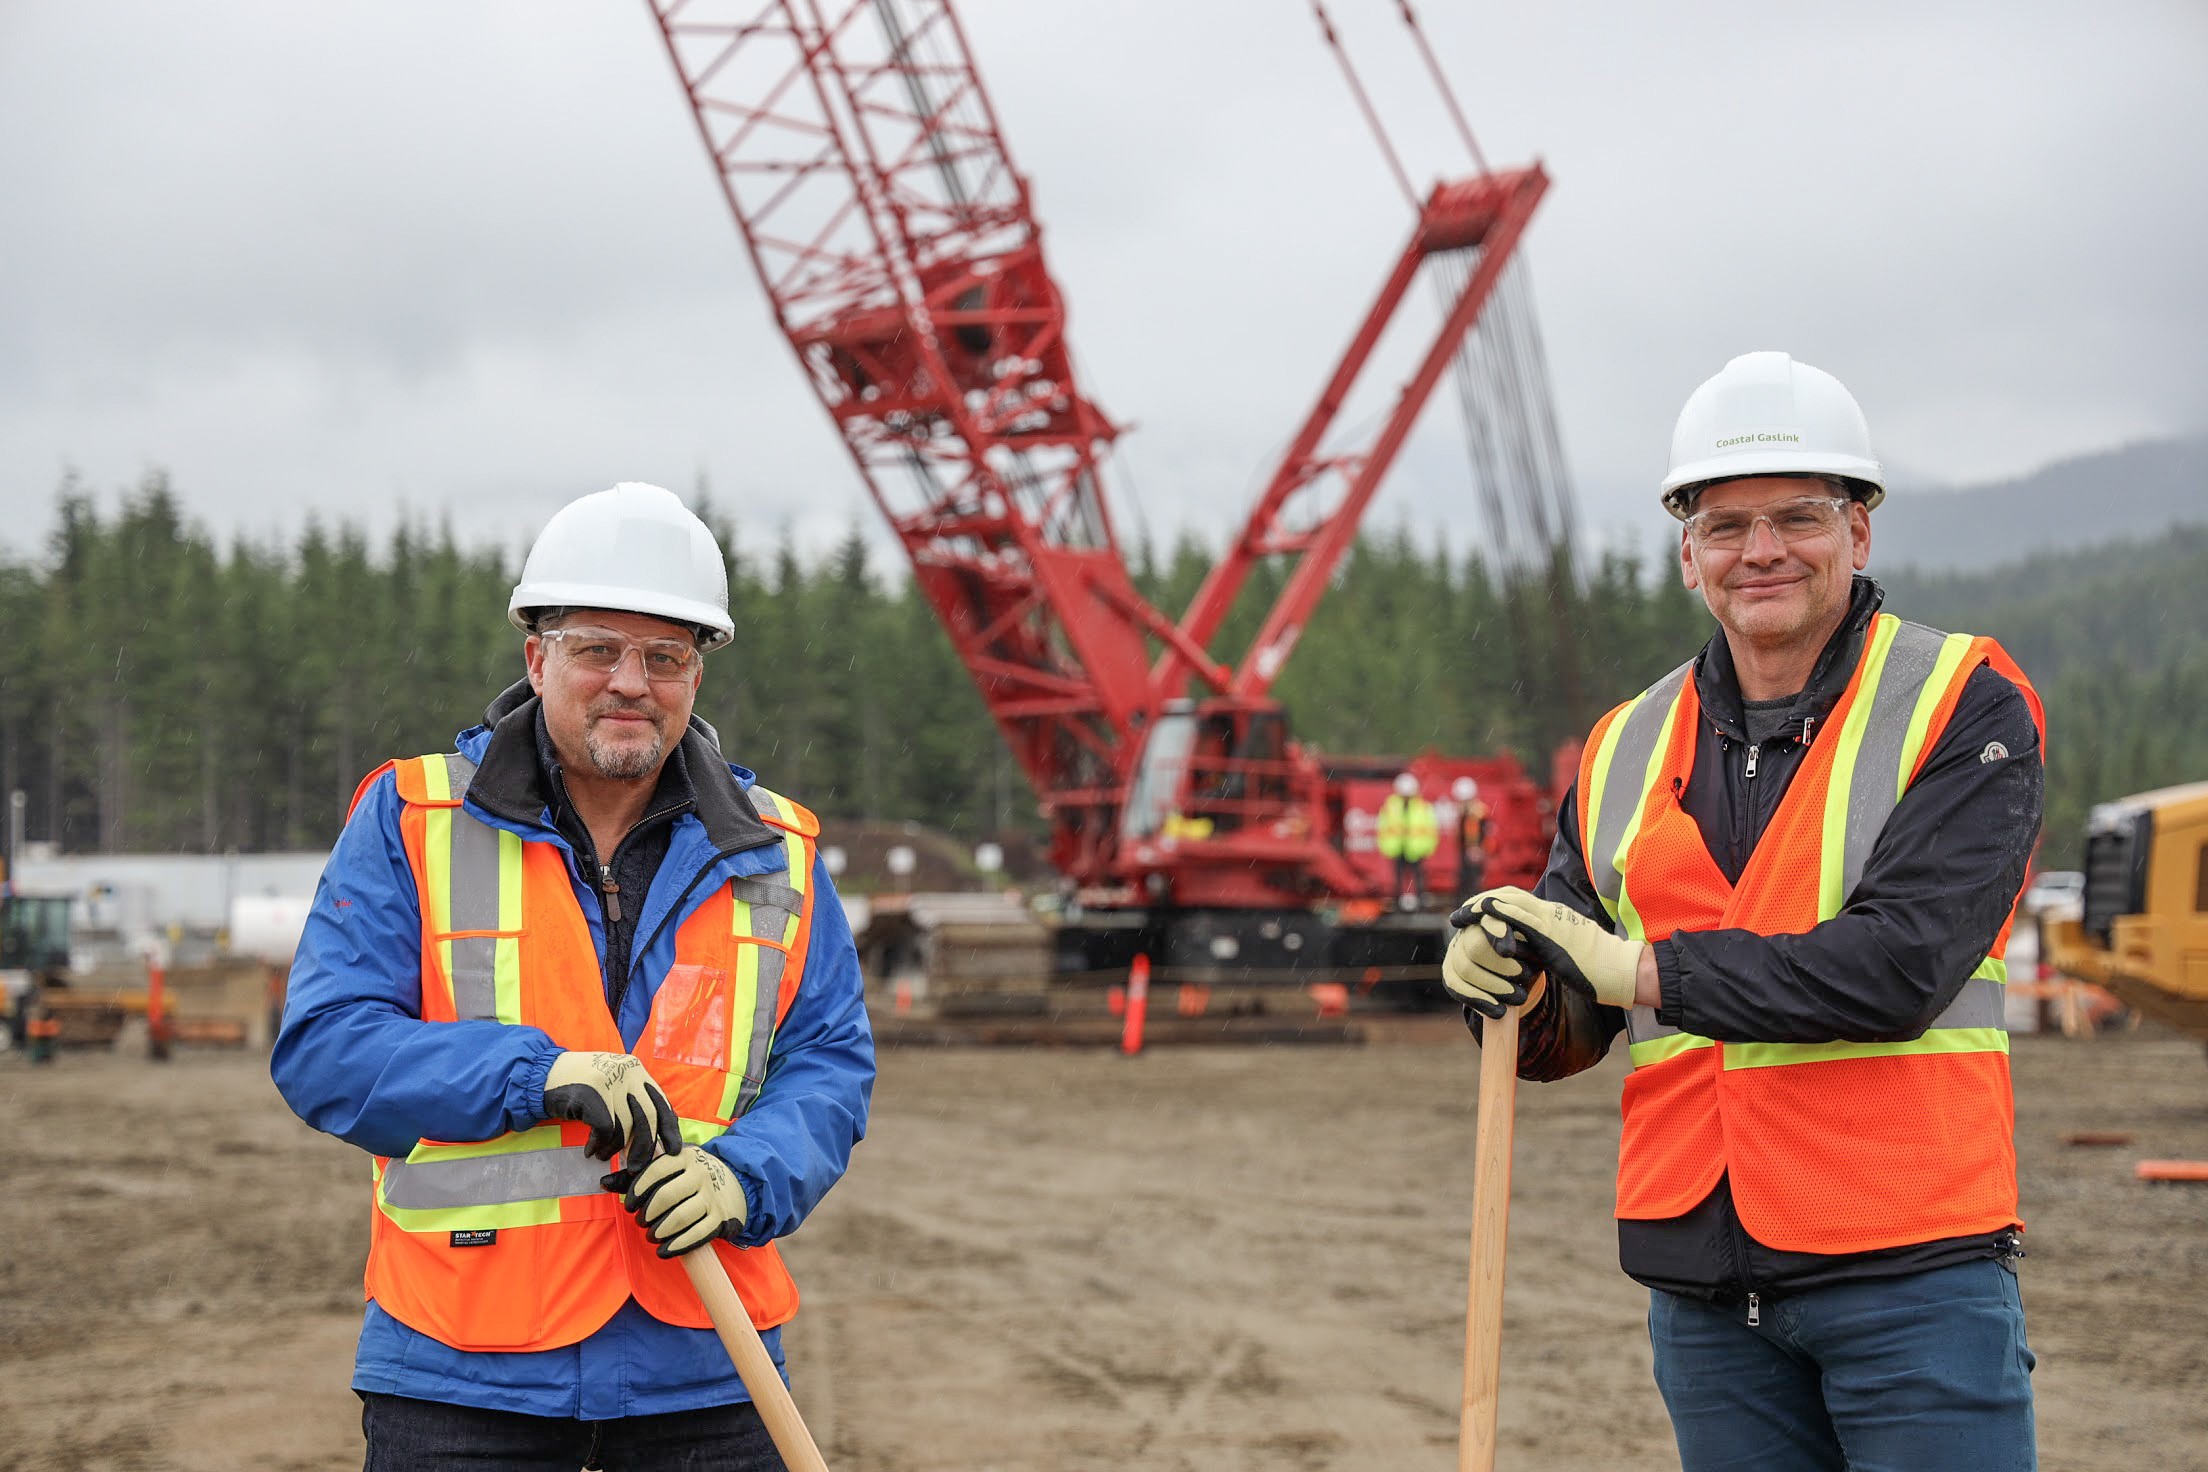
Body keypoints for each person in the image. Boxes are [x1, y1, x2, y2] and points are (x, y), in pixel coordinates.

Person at [1441, 353, 2044, 1471]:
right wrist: (1509, 983)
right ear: (1688, 553)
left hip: (1909, 1272)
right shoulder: (1625, 744)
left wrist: (1644, 972)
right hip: (1707, 1294)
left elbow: (1899, 967)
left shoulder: (1961, 702)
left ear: (1859, 531)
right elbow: (1570, 1011)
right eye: (1725, 525)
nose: (1760, 549)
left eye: (1796, 517)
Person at [274, 482, 875, 1470]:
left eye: (665, 655)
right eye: (598, 647)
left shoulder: (779, 850)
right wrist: (532, 1074)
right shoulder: (414, 819)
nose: (632, 680)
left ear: (696, 673)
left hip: (708, 1366)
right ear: (537, 657)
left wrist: (743, 1173)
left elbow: (828, 1066)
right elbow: (328, 1052)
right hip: (463, 1377)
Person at [1375, 771, 1438, 910]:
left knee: (1418, 878)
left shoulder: (1422, 807)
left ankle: (1420, 902)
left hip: (1416, 849)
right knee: (1397, 879)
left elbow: (1430, 829)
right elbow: (1383, 827)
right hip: (1397, 848)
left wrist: (1427, 848)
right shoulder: (1391, 806)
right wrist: (1386, 847)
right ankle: (1397, 903)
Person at [1448, 776, 1489, 896]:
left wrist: (1477, 848)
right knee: (1464, 880)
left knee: (1473, 881)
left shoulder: (1478, 813)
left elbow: (1481, 833)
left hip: (1474, 852)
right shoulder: (1466, 813)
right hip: (1465, 851)